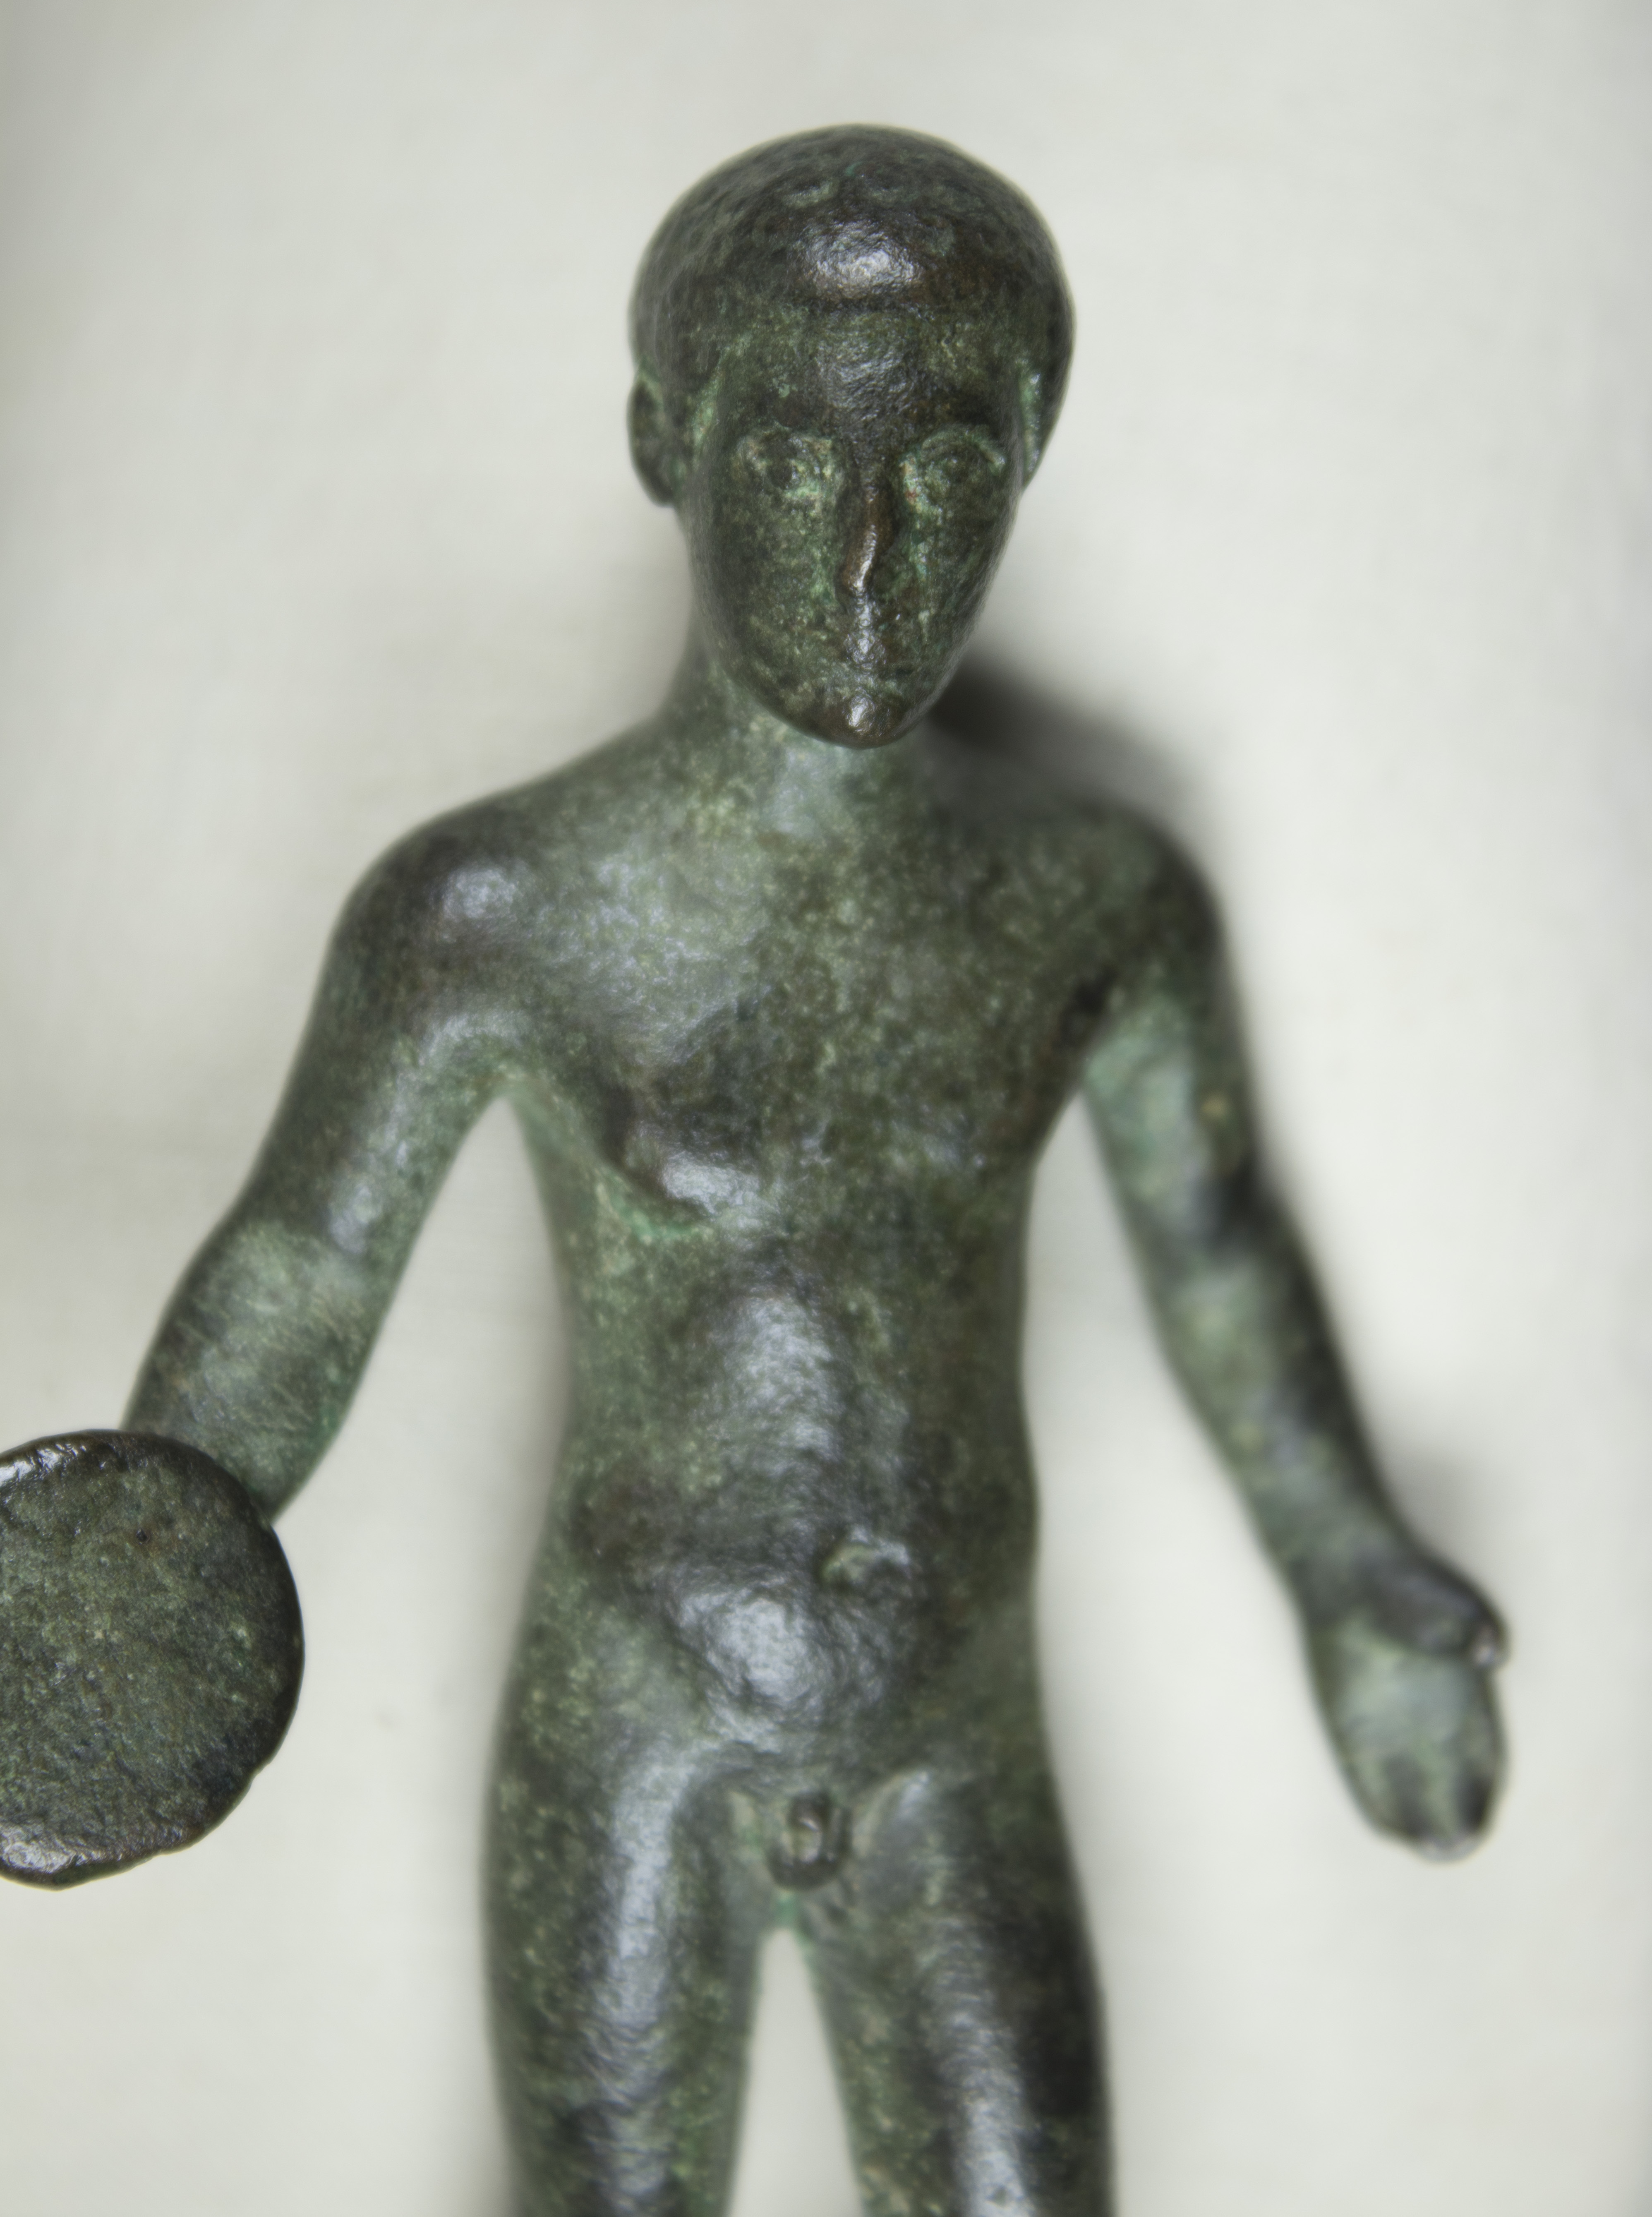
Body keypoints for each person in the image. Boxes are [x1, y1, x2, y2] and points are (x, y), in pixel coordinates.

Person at [123, 125, 1505, 2217]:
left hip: (953, 1734)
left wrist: (1346, 1565)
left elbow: (1219, 1255)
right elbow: (306, 1266)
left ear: (1027, 464)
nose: (869, 556)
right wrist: (141, 1565)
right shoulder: (499, 910)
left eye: (944, 473)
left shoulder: (1092, 902)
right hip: (636, 1728)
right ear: (663, 446)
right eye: (788, 462)